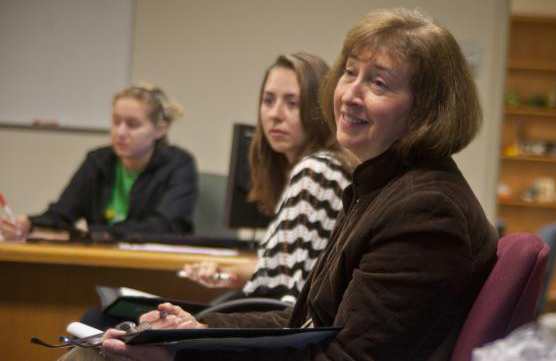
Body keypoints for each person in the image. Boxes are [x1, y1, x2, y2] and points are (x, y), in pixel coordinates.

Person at [61, 8, 498, 361]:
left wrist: (185, 356)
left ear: (426, 111)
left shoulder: (423, 210)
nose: (349, 94)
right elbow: (303, 322)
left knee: (94, 355)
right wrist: (198, 331)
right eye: (350, 72)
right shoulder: (383, 186)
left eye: (378, 83)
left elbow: (343, 357)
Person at [182, 53, 354, 303]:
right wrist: (226, 272)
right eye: (268, 100)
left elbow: (287, 294)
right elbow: (282, 272)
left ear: (319, 110)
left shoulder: (317, 172)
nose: (275, 114)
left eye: (292, 103)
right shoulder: (320, 166)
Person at [0, 83, 197, 240]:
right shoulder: (98, 160)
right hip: (99, 256)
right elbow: (63, 213)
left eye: (133, 124)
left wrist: (97, 233)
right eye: (116, 121)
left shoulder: (179, 164)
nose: (120, 132)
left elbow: (167, 224)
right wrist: (30, 224)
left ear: (159, 130)